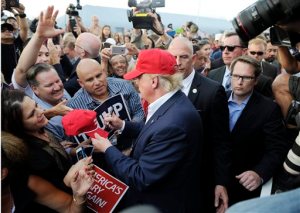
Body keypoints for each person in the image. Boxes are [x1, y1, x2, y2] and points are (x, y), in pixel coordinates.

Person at [91, 48, 203, 212]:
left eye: (138, 77)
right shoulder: (173, 102)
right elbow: (155, 129)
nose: (135, 83)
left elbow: (141, 177)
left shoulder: (173, 124)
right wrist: (123, 125)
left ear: (154, 81)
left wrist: (107, 148)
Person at [168, 36, 231, 213]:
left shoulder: (212, 91)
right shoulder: (161, 84)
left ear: (194, 58)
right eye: (173, 57)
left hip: (198, 179)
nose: (177, 62)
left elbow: (221, 141)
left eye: (183, 57)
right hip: (166, 176)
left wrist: (221, 182)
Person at [1, 89, 83, 211]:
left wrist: (76, 149)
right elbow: (62, 195)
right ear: (18, 125)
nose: (41, 112)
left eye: (36, 105)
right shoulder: (33, 159)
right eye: (31, 114)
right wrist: (73, 176)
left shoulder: (37, 126)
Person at [226, 55, 289, 206]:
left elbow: (276, 148)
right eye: (236, 76)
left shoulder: (268, 109)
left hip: (244, 186)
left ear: (256, 80)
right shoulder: (217, 99)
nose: (239, 82)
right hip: (213, 181)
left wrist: (259, 173)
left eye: (246, 78)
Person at [1, 131, 94, 213]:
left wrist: (79, 196)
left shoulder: (29, 185)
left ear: (2, 174)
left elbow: (69, 209)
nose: (41, 112)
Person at [66, 58, 145, 151]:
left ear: (104, 72)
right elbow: (73, 143)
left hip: (133, 145)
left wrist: (127, 126)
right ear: (81, 83)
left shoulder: (124, 86)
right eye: (90, 80)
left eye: (99, 75)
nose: (97, 82)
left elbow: (139, 111)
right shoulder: (74, 106)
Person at [208, 32, 273, 98]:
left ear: (244, 51)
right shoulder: (212, 74)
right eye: (222, 48)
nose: (225, 52)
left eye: (231, 48)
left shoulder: (262, 82)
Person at [64, 32, 102, 96]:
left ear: (82, 52)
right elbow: (72, 70)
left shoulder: (87, 72)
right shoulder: (88, 58)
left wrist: (56, 63)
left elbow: (66, 88)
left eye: (76, 45)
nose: (74, 47)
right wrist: (63, 56)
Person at [1, 2, 28, 84]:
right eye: (2, 29)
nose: (7, 31)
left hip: (20, 82)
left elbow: (24, 29)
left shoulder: (17, 42)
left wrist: (22, 14)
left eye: (10, 29)